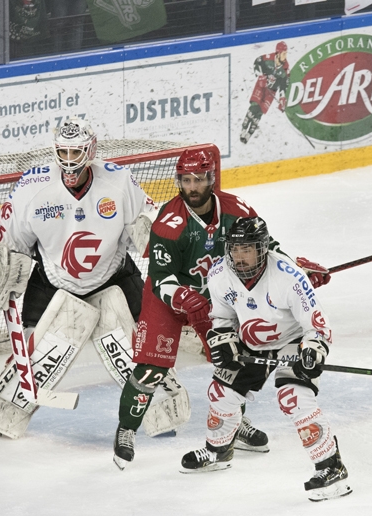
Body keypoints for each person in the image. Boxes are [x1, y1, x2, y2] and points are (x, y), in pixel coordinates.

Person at [112, 147, 331, 469]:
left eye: (199, 179)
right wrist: (182, 297)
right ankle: (125, 431)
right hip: (169, 300)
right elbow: (160, 276)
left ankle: (231, 429)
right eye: (185, 180)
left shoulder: (237, 210)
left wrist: (296, 269)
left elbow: (266, 248)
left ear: (211, 179)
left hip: (217, 300)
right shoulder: (169, 223)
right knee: (151, 367)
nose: (192, 187)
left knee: (233, 361)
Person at [179, 216, 351, 502]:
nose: (239, 257)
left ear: (262, 248)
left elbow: (317, 325)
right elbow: (222, 316)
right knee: (220, 393)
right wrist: (223, 338)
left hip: (292, 342)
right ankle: (218, 451)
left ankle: (332, 467)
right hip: (250, 344)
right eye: (235, 249)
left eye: (246, 249)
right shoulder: (220, 272)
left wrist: (312, 349)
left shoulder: (289, 275)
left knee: (293, 398)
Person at [0, 116, 154, 331]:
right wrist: (3, 268)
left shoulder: (119, 180)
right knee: (34, 353)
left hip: (114, 276)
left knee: (146, 346)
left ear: (90, 151)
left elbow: (145, 232)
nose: (68, 160)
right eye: (63, 152)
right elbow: (11, 240)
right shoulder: (32, 186)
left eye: (75, 152)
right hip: (53, 282)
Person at [240, 41, 289, 144]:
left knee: (259, 113)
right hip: (261, 86)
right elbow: (257, 62)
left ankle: (249, 134)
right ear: (278, 53)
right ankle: (244, 129)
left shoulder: (285, 67)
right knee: (254, 107)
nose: (285, 56)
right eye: (284, 53)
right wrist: (260, 75)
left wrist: (282, 99)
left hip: (271, 92)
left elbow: (284, 85)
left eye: (286, 53)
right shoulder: (267, 58)